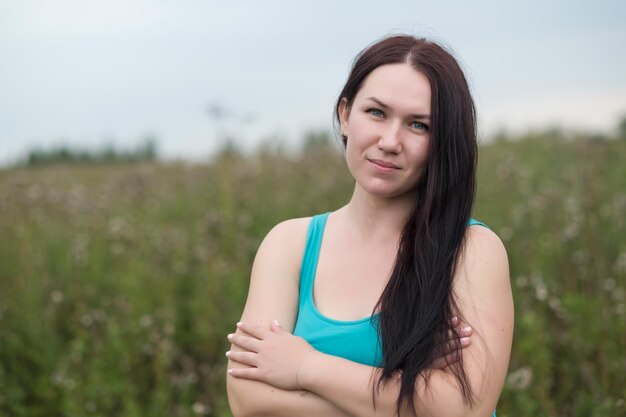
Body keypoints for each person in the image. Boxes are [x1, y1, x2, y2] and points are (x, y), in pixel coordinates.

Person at [225, 34, 514, 417]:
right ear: (346, 114)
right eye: (376, 113)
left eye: (419, 125)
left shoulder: (473, 250)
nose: (390, 141)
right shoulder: (289, 244)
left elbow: (465, 409)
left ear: (443, 140)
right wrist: (411, 393)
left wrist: (304, 367)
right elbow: (249, 401)